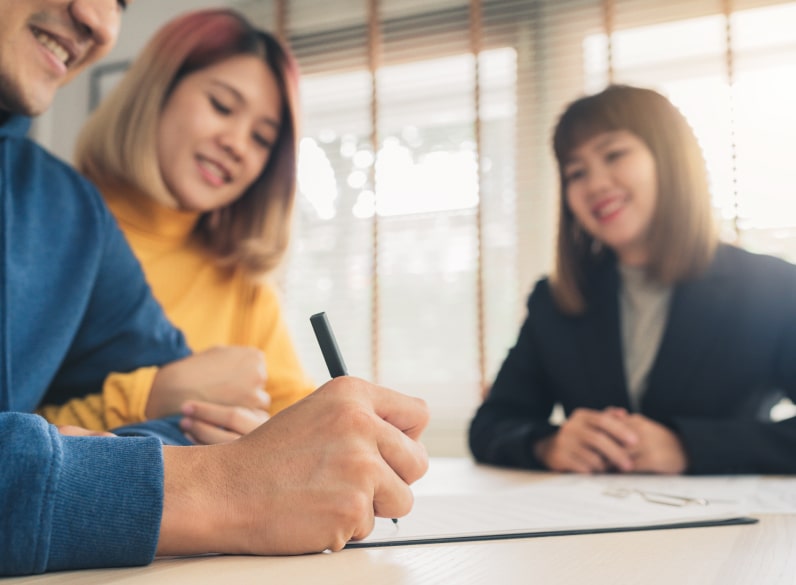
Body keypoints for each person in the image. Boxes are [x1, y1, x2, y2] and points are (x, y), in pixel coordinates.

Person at [0, 0, 428, 576]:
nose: (99, 19)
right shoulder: (85, 213)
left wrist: (245, 460)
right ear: (155, 93)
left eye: (122, 2)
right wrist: (218, 475)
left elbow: (228, 442)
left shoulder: (70, 215)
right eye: (222, 105)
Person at [469, 84, 796, 475]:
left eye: (614, 155)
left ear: (670, 159)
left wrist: (688, 447)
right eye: (576, 172)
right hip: (593, 522)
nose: (596, 184)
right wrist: (547, 443)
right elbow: (490, 425)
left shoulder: (772, 288)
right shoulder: (555, 299)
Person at [37, 9, 315, 444]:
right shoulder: (45, 225)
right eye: (222, 106)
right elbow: (13, 442)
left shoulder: (246, 290)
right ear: (157, 92)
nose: (237, 145)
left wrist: (266, 448)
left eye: (261, 138)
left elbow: (303, 438)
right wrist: (147, 398)